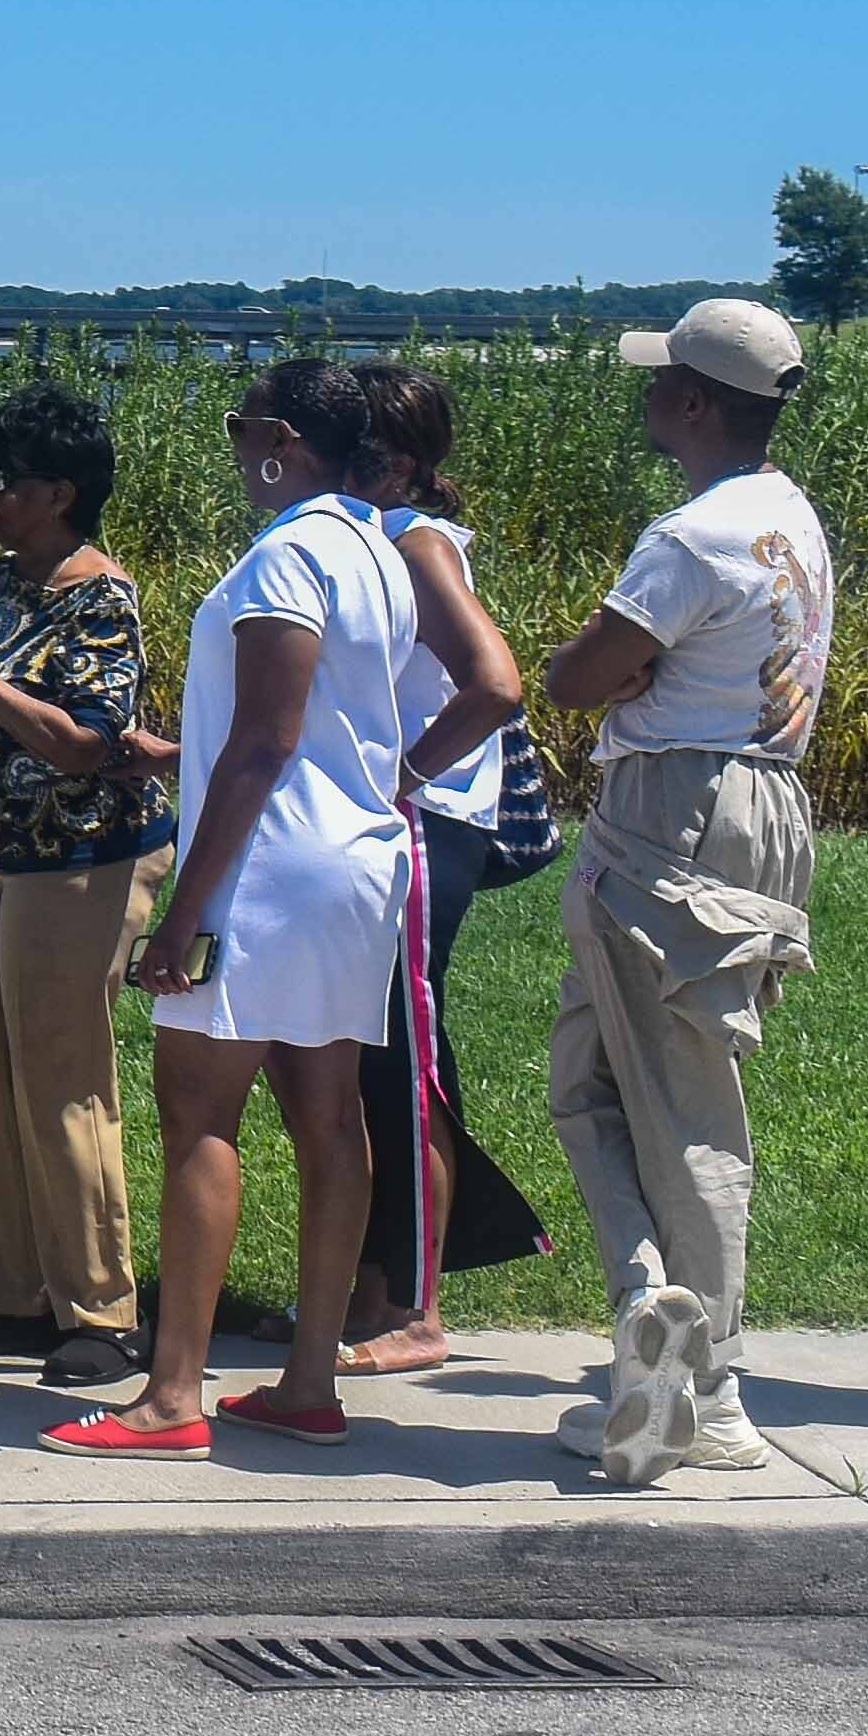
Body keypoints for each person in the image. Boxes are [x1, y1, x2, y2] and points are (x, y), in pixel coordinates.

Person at [51, 358, 415, 1457]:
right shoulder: (374, 545)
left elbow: (263, 740)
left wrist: (181, 913)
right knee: (327, 1115)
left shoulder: (289, 553)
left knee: (199, 1112)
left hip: (266, 870)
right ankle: (307, 1379)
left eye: (239, 423)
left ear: (287, 440)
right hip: (353, 865)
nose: (230, 441)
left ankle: (171, 1394)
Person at [529, 298, 835, 1485]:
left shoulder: (689, 537)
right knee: (591, 1076)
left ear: (698, 402)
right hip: (757, 803)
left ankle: (707, 1391)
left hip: (672, 805)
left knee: (679, 1103)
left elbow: (573, 676)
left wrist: (605, 674)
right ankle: (651, 1321)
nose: (646, 391)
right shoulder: (789, 518)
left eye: (661, 377)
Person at [0, 378, 173, 1395]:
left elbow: (83, 742)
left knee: (62, 1076)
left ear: (58, 491)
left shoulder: (95, 594)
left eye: (2, 481)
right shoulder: (0, 581)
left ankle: (101, 1309)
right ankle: (18, 1294)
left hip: (78, 857)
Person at [335, 359, 554, 1376]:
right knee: (372, 1058)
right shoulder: (370, 536)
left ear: (396, 462)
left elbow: (493, 682)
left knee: (405, 1063)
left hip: (421, 827)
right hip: (400, 828)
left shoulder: (410, 537)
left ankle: (416, 1310)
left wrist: (403, 775)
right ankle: (373, 1286)